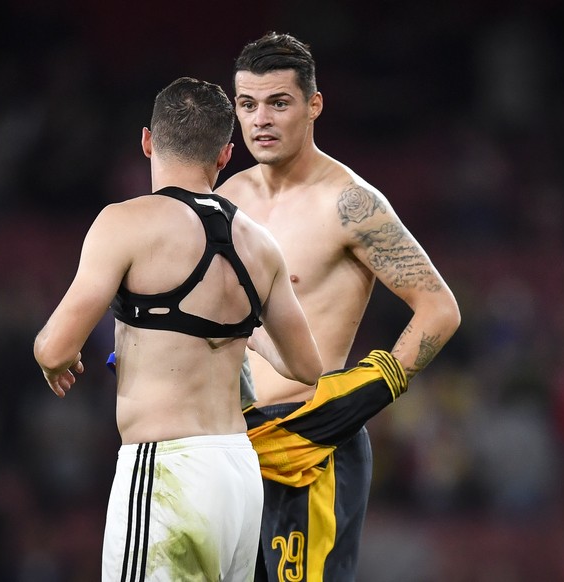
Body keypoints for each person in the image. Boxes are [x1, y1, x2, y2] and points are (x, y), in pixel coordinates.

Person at [33, 76, 322, 582]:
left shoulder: (126, 223)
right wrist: (235, 328)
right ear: (226, 154)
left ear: (147, 140)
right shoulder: (260, 243)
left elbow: (56, 345)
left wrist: (51, 357)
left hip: (165, 468)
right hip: (238, 477)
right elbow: (307, 368)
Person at [216, 32, 462, 581]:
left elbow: (439, 308)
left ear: (313, 105)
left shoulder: (350, 203)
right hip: (233, 446)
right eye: (248, 105)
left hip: (312, 445)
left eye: (279, 103)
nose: (261, 120)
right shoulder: (227, 199)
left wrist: (362, 394)